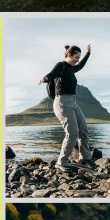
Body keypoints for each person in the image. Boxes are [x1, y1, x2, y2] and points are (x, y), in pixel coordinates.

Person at [38, 44, 94, 172]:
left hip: (73, 102)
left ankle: (85, 157)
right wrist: (45, 78)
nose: (77, 60)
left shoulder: (72, 69)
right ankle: (61, 162)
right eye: (76, 57)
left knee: (84, 130)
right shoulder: (61, 65)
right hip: (62, 102)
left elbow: (81, 65)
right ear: (69, 55)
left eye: (79, 57)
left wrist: (88, 54)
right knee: (72, 132)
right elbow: (52, 74)